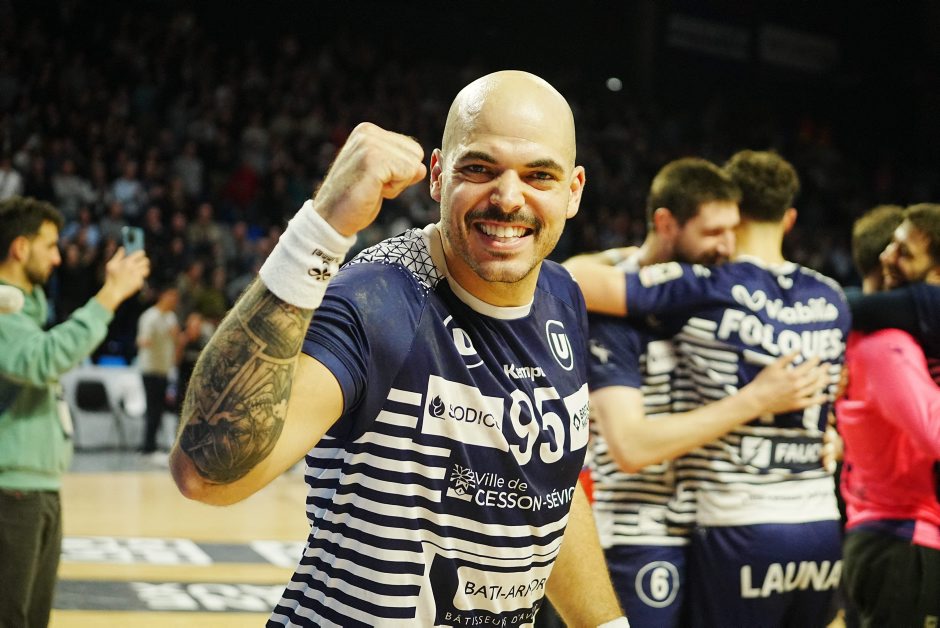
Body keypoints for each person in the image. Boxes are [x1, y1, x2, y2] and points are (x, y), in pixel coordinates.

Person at [170, 71, 627, 627]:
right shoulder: (375, 302)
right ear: (437, 175)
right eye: (479, 169)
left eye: (539, 175)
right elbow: (206, 474)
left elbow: (546, 488)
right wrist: (322, 228)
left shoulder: (562, 297)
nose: (508, 198)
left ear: (573, 190)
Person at [566, 150, 849, 627]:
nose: (727, 247)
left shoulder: (707, 295)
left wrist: (818, 433)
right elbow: (631, 447)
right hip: (643, 530)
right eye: (715, 232)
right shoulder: (623, 310)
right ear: (668, 225)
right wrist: (756, 401)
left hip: (707, 524)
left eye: (732, 230)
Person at [0, 196, 149, 628]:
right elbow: (41, 359)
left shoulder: (24, 312)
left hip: (37, 487)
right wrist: (110, 294)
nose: (58, 257)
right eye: (49, 245)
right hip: (11, 492)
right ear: (19, 248)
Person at [836, 204, 940, 627]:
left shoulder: (898, 335)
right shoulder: (888, 345)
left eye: (904, 252)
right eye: (891, 247)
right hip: (903, 536)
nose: (889, 257)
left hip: (888, 535)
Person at [136, 283, 179, 459]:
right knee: (152, 408)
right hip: (150, 368)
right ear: (163, 296)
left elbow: (176, 340)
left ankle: (153, 444)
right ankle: (148, 446)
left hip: (164, 369)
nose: (174, 301)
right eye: (172, 296)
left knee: (159, 409)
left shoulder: (171, 318)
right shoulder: (150, 316)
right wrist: (149, 341)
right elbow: (142, 340)